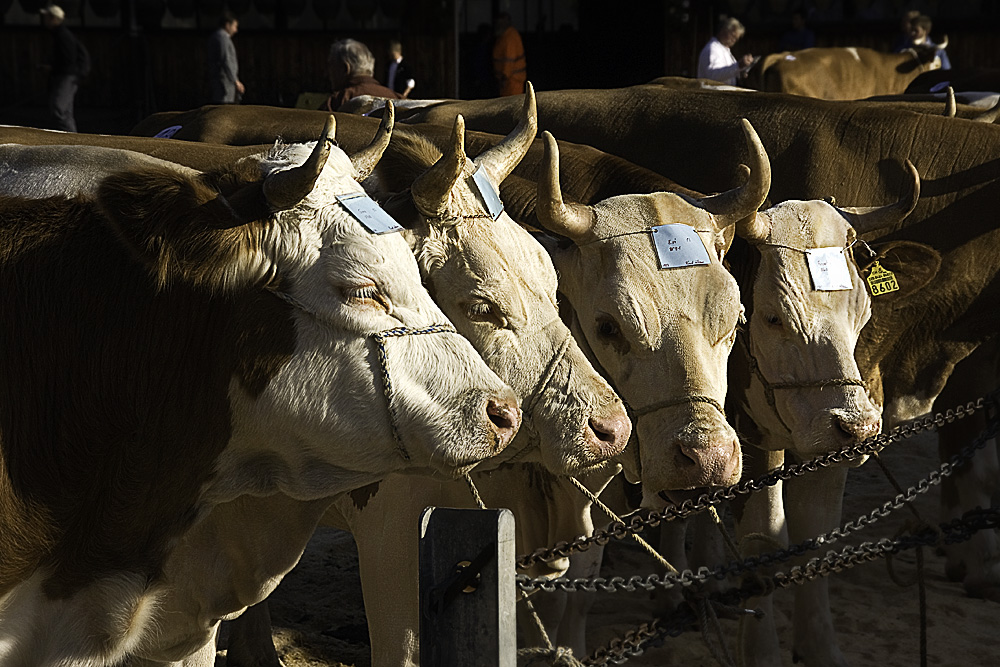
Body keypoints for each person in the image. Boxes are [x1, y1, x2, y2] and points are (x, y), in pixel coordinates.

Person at [40, 4, 89, 132]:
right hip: (67, 75)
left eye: (47, 17)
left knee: (59, 109)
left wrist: (51, 68)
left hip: (67, 76)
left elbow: (68, 59)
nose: (44, 20)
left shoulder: (63, 36)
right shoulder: (60, 35)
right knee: (66, 111)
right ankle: (72, 139)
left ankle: (70, 139)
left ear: (53, 18)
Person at [325, 38, 401, 111]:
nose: (328, 73)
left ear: (345, 68)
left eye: (330, 65)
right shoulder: (398, 99)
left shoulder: (335, 104)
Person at [697, 16, 754, 86]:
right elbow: (713, 75)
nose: (734, 40)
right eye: (733, 36)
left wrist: (740, 72)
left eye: (736, 39)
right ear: (723, 30)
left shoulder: (725, 50)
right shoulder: (713, 49)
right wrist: (738, 66)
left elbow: (728, 73)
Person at [206, 12, 244, 104]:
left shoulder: (217, 37)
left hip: (222, 81)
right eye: (234, 26)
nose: (235, 30)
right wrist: (235, 80)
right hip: (225, 83)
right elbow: (226, 60)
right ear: (227, 25)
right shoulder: (222, 38)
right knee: (225, 109)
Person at [492, 11, 526, 97]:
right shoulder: (504, 36)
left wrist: (504, 78)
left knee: (511, 107)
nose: (498, 25)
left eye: (501, 23)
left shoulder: (509, 38)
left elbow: (508, 61)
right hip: (508, 81)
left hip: (511, 81)